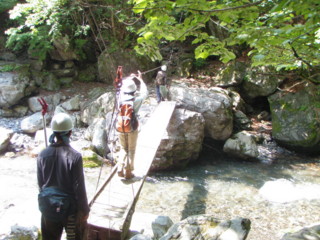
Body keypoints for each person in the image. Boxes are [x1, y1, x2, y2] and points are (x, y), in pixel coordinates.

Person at [37, 112, 90, 240]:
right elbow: (79, 187)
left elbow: (41, 185)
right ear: (70, 133)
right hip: (69, 211)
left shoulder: (42, 155)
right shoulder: (75, 156)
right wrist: (85, 210)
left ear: (53, 132)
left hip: (48, 207)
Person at [117, 70, 148, 179]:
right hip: (132, 128)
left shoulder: (119, 98)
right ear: (134, 90)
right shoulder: (137, 100)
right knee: (131, 150)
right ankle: (128, 172)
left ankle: (120, 168)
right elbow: (145, 93)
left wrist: (128, 79)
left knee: (123, 148)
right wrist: (140, 79)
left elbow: (119, 86)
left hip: (120, 127)